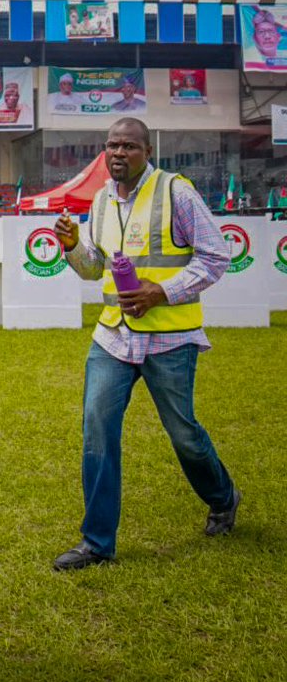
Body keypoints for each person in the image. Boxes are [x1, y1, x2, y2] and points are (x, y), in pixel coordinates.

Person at [51, 117, 240, 571]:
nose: (119, 153)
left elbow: (217, 255)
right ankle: (97, 543)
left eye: (129, 146)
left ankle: (222, 495)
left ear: (146, 150)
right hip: (113, 338)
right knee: (97, 433)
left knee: (184, 435)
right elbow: (95, 268)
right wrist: (74, 246)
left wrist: (163, 291)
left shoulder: (177, 192)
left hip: (171, 337)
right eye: (112, 145)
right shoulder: (98, 201)